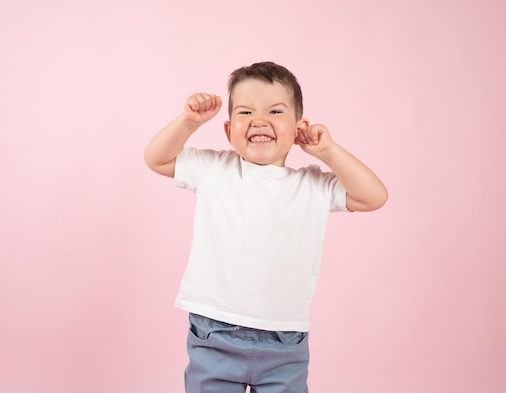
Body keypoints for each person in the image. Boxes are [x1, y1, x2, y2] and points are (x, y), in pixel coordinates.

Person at [144, 61, 388, 393]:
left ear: (298, 128)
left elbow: (374, 196)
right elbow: (156, 158)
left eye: (274, 111)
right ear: (229, 131)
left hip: (284, 341)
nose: (259, 120)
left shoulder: (312, 185)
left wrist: (327, 151)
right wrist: (189, 121)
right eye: (245, 113)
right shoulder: (215, 168)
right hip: (214, 332)